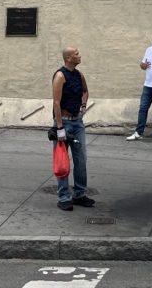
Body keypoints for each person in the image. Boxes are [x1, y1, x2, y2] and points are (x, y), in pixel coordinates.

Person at [52, 46, 94, 211]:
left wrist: (83, 107)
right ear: (68, 58)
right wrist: (60, 127)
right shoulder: (60, 76)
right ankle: (63, 197)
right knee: (62, 161)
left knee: (81, 159)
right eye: (76, 54)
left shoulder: (79, 74)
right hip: (64, 123)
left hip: (77, 123)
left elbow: (85, 91)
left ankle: (79, 194)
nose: (79, 55)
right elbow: (56, 103)